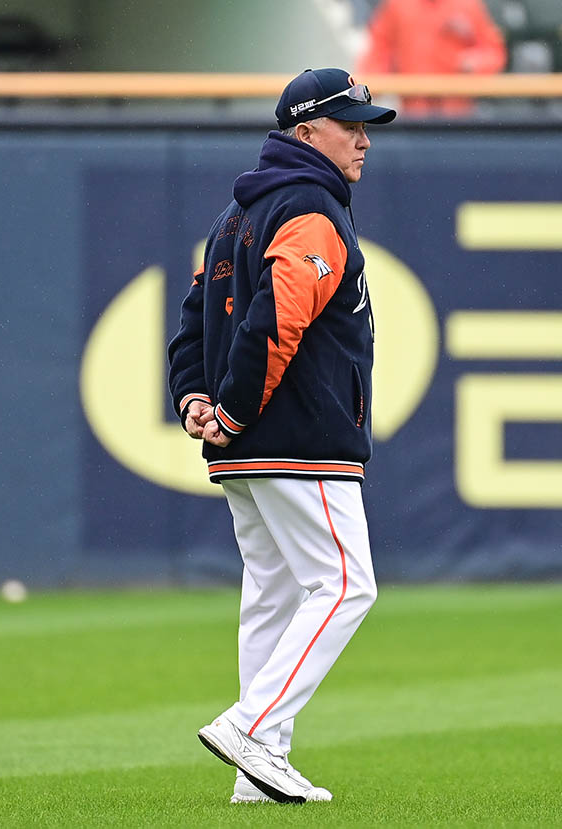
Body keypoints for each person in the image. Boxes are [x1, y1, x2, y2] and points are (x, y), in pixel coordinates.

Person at [167, 67, 395, 805]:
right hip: (299, 436)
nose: (363, 139)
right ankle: (253, 729)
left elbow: (194, 323)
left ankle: (256, 776)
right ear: (305, 133)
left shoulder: (235, 215)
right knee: (345, 585)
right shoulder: (309, 207)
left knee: (272, 593)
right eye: (348, 126)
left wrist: (196, 399)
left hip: (249, 445)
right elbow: (278, 320)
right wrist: (231, 409)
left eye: (364, 126)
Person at [357, 0, 506, 117]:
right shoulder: (398, 5)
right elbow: (378, 52)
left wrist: (474, 61)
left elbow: (493, 51)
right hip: (413, 110)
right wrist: (368, 92)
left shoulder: (467, 4)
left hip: (458, 112)